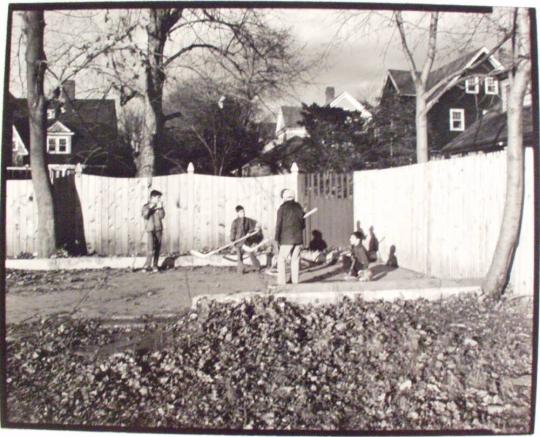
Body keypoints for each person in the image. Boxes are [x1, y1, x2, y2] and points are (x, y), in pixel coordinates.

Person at [275, 188, 305, 284]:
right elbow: (303, 225)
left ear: (284, 197)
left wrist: (277, 238)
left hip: (287, 239)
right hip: (298, 238)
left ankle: (281, 282)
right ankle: (295, 282)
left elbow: (278, 225)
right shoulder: (299, 207)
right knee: (295, 260)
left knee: (281, 259)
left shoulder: (282, 208)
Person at [230, 205, 262, 273]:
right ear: (237, 213)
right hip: (238, 242)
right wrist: (232, 240)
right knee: (239, 256)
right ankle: (240, 269)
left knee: (250, 253)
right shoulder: (235, 222)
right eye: (241, 212)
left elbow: (253, 227)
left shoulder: (248, 221)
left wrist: (249, 233)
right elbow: (233, 231)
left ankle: (257, 266)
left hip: (246, 241)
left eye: (243, 211)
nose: (243, 213)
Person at [141, 189, 165, 272]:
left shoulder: (159, 206)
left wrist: (161, 208)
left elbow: (162, 216)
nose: (159, 199)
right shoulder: (146, 206)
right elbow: (145, 215)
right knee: (150, 248)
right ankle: (147, 265)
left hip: (158, 229)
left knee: (157, 248)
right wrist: (151, 208)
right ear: (152, 197)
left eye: (159, 197)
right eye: (158, 197)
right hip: (150, 229)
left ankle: (155, 265)